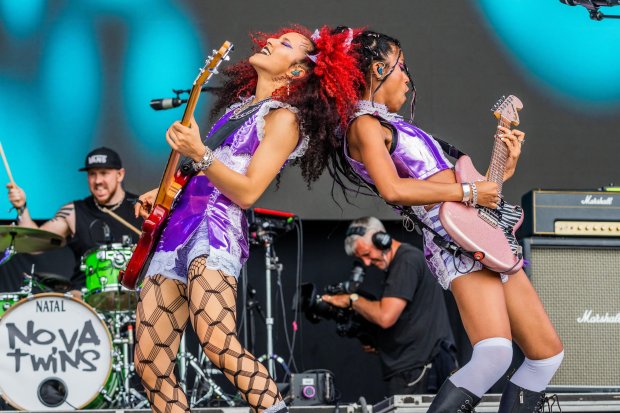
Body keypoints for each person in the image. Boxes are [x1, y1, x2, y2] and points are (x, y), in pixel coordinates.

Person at [328, 30, 564, 412]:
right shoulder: (363, 125)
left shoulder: (394, 124)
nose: (407, 77)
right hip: (455, 238)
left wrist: (503, 169)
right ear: (377, 69)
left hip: (482, 230)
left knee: (546, 355)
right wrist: (470, 193)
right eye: (401, 67)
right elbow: (394, 190)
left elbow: (469, 190)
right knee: (494, 354)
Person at [132, 26, 363, 413]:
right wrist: (164, 195)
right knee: (149, 363)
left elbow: (248, 190)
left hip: (216, 231)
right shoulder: (240, 111)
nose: (270, 41)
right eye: (275, 38)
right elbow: (208, 173)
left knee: (217, 341)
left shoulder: (284, 118)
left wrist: (200, 152)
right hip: (178, 228)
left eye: (285, 44)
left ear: (297, 72)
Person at [321, 217, 457, 396]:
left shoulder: (406, 261)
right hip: (416, 368)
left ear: (381, 239)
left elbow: (385, 317)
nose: (367, 263)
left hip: (419, 370)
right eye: (361, 258)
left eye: (367, 254)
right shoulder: (402, 263)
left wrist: (351, 299)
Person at [6, 147, 141, 291]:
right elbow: (35, 244)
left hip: (136, 297)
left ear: (120, 175)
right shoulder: (73, 211)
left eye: (104, 173)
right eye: (92, 174)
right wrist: (22, 208)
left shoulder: (142, 207)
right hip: (85, 301)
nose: (97, 181)